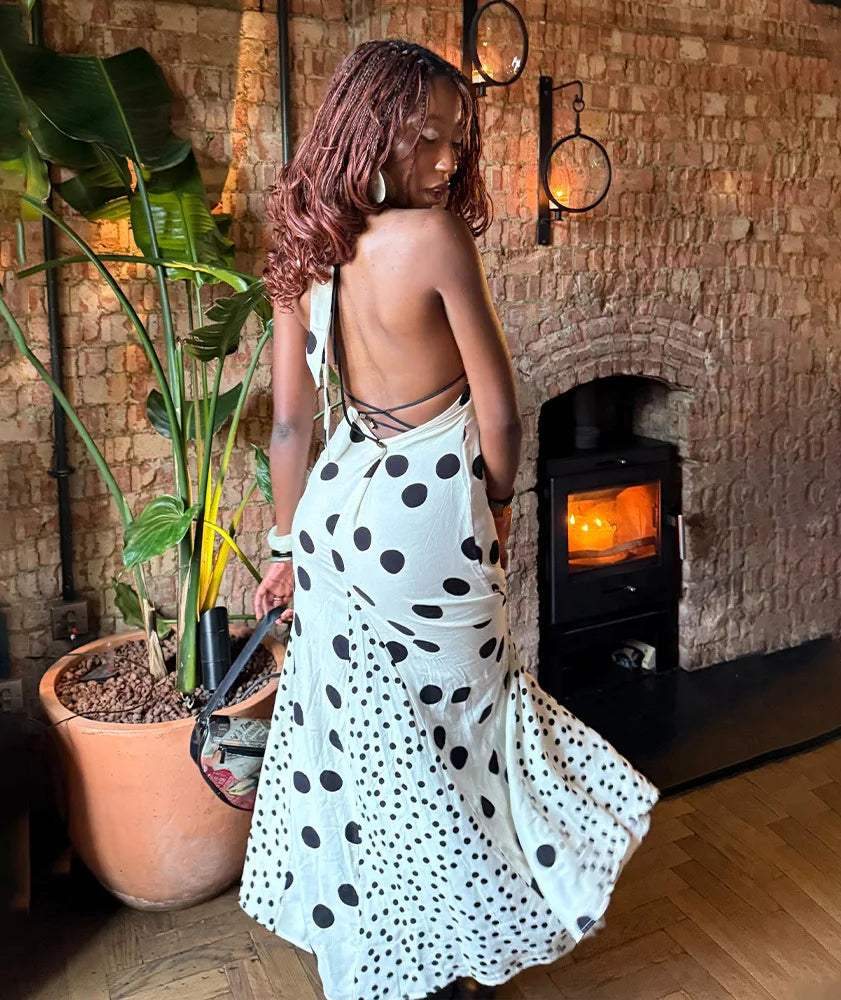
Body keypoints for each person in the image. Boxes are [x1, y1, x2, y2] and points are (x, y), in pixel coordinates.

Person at [239, 39, 659, 1000]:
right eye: (424, 136)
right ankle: (461, 943)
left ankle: (381, 956)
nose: (442, 159)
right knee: (463, 736)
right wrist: (502, 509)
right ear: (366, 130)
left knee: (360, 753)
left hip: (341, 513)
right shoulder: (431, 241)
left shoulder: (303, 260)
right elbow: (501, 410)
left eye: (455, 139)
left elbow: (292, 425)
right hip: (428, 520)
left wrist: (290, 548)